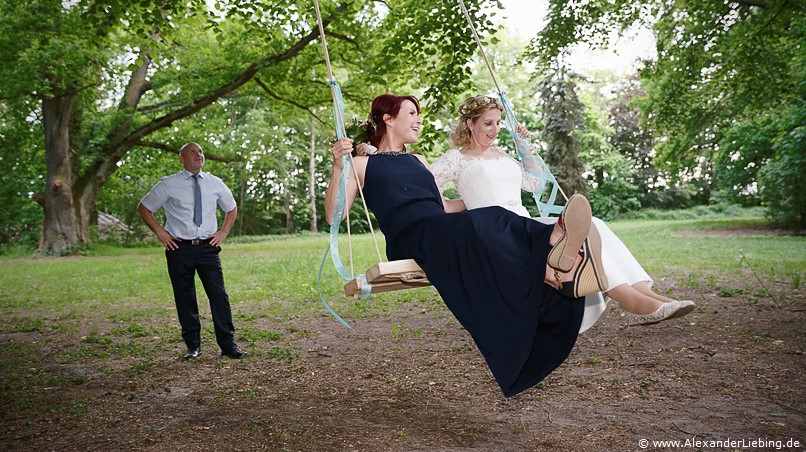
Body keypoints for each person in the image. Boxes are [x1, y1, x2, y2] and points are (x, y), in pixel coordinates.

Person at [326, 93, 606, 397]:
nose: (419, 119)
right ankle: (552, 242)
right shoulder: (360, 164)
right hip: (411, 236)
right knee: (484, 223)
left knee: (493, 214)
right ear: (388, 119)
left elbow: (443, 206)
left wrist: (484, 200)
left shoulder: (418, 161)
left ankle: (557, 270)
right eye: (411, 113)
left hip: (440, 227)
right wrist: (339, 168)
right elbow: (334, 215)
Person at [429, 94, 696, 328]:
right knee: (572, 234)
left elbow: (533, 183)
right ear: (469, 124)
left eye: (498, 123)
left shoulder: (501, 155)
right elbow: (424, 188)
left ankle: (648, 296)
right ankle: (632, 301)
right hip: (496, 232)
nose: (495, 129)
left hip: (523, 221)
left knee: (595, 225)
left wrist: (526, 150)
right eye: (488, 123)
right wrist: (459, 206)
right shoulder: (456, 158)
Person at [137, 142, 247, 361]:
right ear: (181, 159)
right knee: (185, 296)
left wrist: (223, 232)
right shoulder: (168, 184)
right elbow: (144, 207)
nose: (199, 155)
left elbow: (231, 208)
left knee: (219, 295)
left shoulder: (215, 183)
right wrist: (160, 232)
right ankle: (193, 346)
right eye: (193, 152)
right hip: (179, 248)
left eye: (201, 152)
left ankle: (227, 344)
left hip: (208, 247)